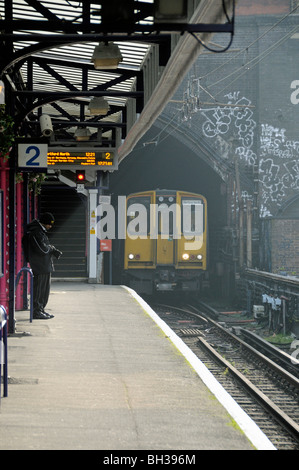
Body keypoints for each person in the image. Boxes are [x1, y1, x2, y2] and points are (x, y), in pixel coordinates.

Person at [23, 212, 62, 320]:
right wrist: (51, 248)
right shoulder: (36, 232)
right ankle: (37, 311)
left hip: (44, 265)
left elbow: (44, 247)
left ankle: (41, 309)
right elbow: (42, 249)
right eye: (49, 224)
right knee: (39, 290)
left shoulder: (40, 232)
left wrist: (51, 248)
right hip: (39, 266)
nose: (50, 226)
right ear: (44, 222)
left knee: (44, 290)